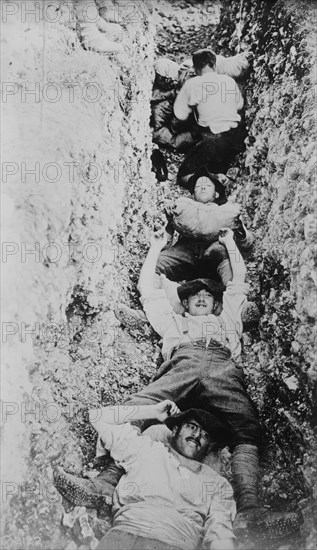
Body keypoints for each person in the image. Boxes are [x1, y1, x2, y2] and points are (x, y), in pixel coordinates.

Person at [54, 228, 301, 540]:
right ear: (184, 304)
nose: (200, 297)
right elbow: (148, 288)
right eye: (193, 296)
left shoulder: (229, 321)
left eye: (208, 295)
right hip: (182, 360)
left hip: (223, 367)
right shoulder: (174, 324)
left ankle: (250, 512)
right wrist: (157, 246)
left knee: (248, 426)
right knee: (137, 409)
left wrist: (228, 243)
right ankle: (104, 485)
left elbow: (239, 279)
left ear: (216, 304)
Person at [55, 401, 237, 550]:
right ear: (174, 431)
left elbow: (220, 529)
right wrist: (152, 411)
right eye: (191, 427)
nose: (196, 435)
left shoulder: (216, 482)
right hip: (123, 536)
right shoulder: (145, 449)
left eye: (204, 435)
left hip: (175, 542)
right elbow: (97, 416)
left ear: (209, 446)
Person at [156, 165, 254, 287]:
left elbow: (247, 243)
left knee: (235, 272)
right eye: (198, 186)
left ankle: (235, 298)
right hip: (186, 251)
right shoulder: (184, 210)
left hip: (216, 251)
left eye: (208, 186)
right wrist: (168, 227)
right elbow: (165, 242)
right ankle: (151, 298)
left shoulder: (227, 212)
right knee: (156, 264)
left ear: (216, 194)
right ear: (193, 195)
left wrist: (240, 231)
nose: (202, 187)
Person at [173, 49, 247, 187]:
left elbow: (180, 114)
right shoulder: (229, 80)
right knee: (216, 157)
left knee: (183, 175)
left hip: (213, 139)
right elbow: (239, 105)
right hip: (237, 136)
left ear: (195, 68)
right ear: (214, 63)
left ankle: (215, 178)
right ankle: (221, 171)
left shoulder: (192, 84)